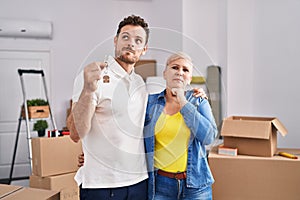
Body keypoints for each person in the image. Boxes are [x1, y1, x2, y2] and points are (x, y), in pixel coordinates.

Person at [67, 15, 150, 200]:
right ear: (115, 40)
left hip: (139, 181)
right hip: (102, 185)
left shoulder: (140, 83)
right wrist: (88, 90)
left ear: (144, 49)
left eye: (138, 40)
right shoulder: (92, 76)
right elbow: (75, 133)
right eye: (125, 37)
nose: (130, 44)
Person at [144, 52, 218, 200]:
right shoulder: (149, 103)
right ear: (165, 73)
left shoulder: (198, 102)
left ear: (189, 78)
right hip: (160, 185)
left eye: (185, 70)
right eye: (175, 67)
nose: (179, 72)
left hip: (196, 185)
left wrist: (183, 102)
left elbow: (209, 137)